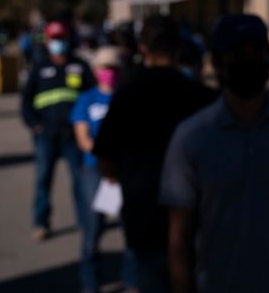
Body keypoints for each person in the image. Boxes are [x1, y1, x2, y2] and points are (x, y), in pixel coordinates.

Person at [160, 14, 269, 293]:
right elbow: (178, 236)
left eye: (258, 52)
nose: (250, 61)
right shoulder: (191, 137)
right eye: (238, 54)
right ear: (218, 63)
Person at [93, 15, 217, 293]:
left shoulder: (127, 95)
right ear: (177, 46)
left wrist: (121, 177)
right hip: (200, 222)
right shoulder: (202, 96)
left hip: (144, 218)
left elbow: (105, 159)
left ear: (143, 48)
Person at [21, 20, 96, 241]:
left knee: (79, 181)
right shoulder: (39, 67)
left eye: (61, 38)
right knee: (43, 180)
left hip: (74, 136)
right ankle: (41, 222)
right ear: (47, 41)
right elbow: (26, 101)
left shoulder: (80, 66)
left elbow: (91, 97)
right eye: (54, 39)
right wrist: (35, 125)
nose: (58, 43)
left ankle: (85, 221)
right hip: (46, 135)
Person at [70, 46, 136, 293]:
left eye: (114, 68)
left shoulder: (128, 98)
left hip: (124, 171)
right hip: (94, 171)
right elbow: (82, 138)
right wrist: (105, 156)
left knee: (130, 230)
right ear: (96, 71)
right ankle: (90, 282)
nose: (109, 73)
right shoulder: (86, 99)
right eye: (105, 68)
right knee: (92, 231)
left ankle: (131, 280)